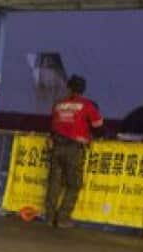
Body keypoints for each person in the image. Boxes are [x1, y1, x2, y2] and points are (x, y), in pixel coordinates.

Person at [45, 74, 103, 228]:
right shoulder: (87, 105)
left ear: (68, 87)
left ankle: (50, 217)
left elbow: (52, 126)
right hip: (73, 149)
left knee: (54, 183)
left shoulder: (58, 104)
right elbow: (98, 126)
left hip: (56, 147)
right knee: (74, 184)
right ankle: (63, 218)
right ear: (83, 89)